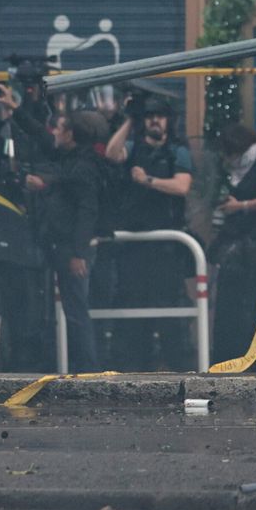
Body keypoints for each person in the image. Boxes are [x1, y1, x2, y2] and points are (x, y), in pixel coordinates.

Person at [0, 91, 107, 374]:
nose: (54, 133)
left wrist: (79, 254)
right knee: (69, 311)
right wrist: (17, 110)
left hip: (72, 249)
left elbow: (87, 212)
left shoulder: (83, 167)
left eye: (58, 129)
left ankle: (89, 369)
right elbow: (42, 137)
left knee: (76, 312)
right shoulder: (68, 156)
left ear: (70, 134)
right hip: (58, 244)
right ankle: (78, 366)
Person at [105, 95, 195, 371]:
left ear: (168, 120)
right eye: (149, 116)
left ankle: (180, 372)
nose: (155, 120)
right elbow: (111, 153)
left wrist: (148, 180)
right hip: (134, 247)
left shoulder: (177, 150)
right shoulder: (132, 147)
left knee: (170, 315)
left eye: (160, 116)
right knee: (133, 313)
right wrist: (129, 120)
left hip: (166, 247)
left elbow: (182, 187)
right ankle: (133, 370)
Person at [208, 122, 256, 364]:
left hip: (254, 242)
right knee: (230, 308)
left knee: (247, 305)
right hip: (235, 244)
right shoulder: (233, 171)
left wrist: (241, 206)